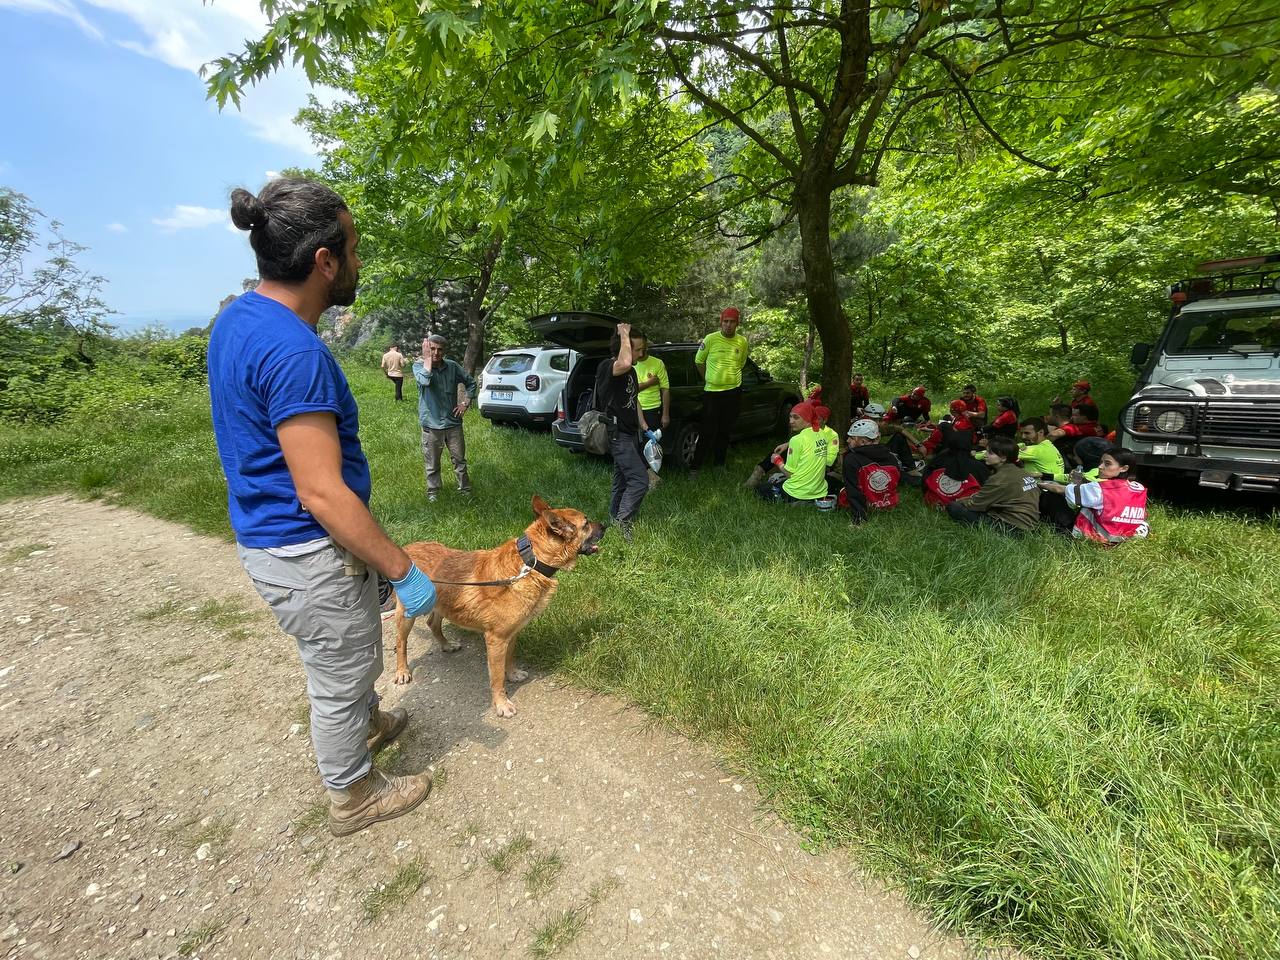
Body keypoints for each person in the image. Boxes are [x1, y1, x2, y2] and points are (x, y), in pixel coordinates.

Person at [208, 178, 436, 837]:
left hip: (271, 536)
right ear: (324, 262)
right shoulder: (294, 351)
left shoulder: (239, 318)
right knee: (336, 675)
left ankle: (368, 722)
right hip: (307, 550)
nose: (359, 262)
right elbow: (321, 492)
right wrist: (402, 570)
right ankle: (354, 794)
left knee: (351, 650)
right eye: (354, 250)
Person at [595, 323, 654, 541]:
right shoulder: (608, 366)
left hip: (630, 434)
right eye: (638, 349)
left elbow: (633, 398)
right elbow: (625, 361)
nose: (642, 353)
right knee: (640, 480)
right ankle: (623, 524)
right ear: (624, 348)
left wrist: (644, 425)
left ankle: (613, 519)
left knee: (621, 481)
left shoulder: (630, 372)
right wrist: (625, 334)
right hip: (617, 434)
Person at [413, 334, 477, 503]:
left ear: (444, 351)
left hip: (453, 423)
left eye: (440, 349)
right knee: (432, 463)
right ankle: (433, 491)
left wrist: (465, 402)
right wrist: (427, 359)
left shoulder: (452, 367)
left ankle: (465, 490)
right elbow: (424, 381)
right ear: (426, 349)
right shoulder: (419, 366)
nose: (436, 353)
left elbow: (471, 383)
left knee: (459, 460)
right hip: (431, 425)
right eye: (432, 349)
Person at [1039, 447, 1150, 544]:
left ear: (1124, 468)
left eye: (1107, 463)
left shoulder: (1100, 488)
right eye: (1101, 462)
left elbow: (1059, 489)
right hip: (1127, 537)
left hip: (1099, 539)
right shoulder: (1139, 488)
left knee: (1051, 497)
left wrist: (1036, 483)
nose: (1100, 467)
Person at [691, 306, 749, 475]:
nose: (728, 325)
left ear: (737, 323)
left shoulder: (742, 342)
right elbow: (699, 362)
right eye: (726, 321)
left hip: (733, 392)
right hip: (712, 393)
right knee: (707, 431)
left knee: (725, 430)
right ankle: (695, 468)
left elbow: (742, 363)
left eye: (732, 322)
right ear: (721, 322)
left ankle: (719, 465)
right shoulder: (710, 339)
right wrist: (709, 379)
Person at [946, 436, 1041, 535]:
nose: (985, 455)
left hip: (1013, 528)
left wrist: (959, 500)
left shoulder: (999, 478)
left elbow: (974, 505)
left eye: (990, 453)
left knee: (954, 507)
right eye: (986, 451)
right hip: (1031, 524)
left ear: (1003, 458)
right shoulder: (1022, 472)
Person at [756, 401, 828, 504]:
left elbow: (790, 474)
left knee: (760, 489)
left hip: (798, 491)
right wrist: (787, 444)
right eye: (790, 417)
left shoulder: (797, 440)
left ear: (808, 419)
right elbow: (808, 441)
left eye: (796, 417)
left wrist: (778, 461)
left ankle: (797, 502)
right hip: (819, 491)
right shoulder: (821, 433)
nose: (791, 421)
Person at [1038, 436, 1109, 532]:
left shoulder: (1087, 478)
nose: (1074, 458)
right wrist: (1045, 475)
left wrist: (1039, 484)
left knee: (1050, 496)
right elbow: (1067, 477)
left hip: (1086, 521)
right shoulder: (1102, 472)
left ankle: (1060, 529)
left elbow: (1072, 502)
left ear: (1084, 457)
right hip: (1106, 519)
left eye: (1076, 455)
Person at [842, 418, 900, 523]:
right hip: (888, 504)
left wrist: (859, 519)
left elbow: (853, 490)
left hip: (867, 504)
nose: (847, 440)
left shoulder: (851, 459)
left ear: (862, 442)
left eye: (851, 438)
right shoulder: (891, 457)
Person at [633, 334, 670, 489]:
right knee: (634, 445)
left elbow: (666, 389)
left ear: (646, 345)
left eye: (643, 348)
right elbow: (630, 389)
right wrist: (649, 382)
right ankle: (646, 477)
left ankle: (652, 477)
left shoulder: (657, 363)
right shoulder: (630, 365)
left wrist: (665, 413)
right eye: (637, 349)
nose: (641, 353)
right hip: (633, 410)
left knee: (650, 446)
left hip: (653, 410)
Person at [923, 426, 987, 508]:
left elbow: (925, 481)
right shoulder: (978, 467)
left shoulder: (938, 460)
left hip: (935, 500)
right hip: (961, 505)